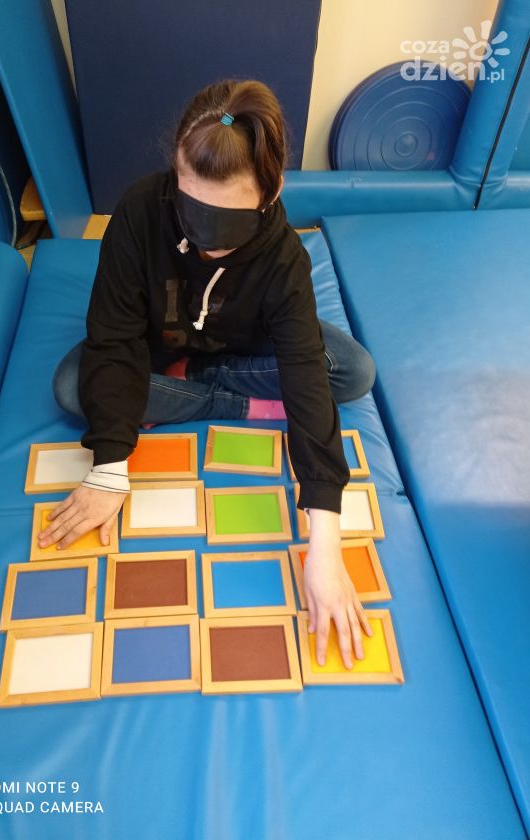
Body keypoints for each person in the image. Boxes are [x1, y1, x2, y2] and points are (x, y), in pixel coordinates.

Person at [40, 79, 377, 668]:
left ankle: (193, 382)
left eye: (227, 222)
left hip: (244, 343)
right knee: (73, 386)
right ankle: (233, 400)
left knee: (350, 371)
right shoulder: (139, 211)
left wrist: (325, 547)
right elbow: (114, 336)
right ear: (175, 175)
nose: (204, 239)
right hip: (155, 343)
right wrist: (110, 469)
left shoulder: (283, 257)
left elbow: (303, 369)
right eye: (192, 210)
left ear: (270, 195)